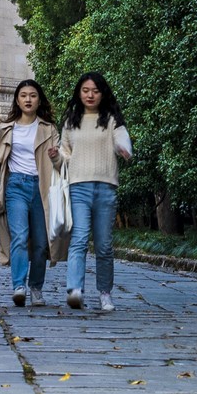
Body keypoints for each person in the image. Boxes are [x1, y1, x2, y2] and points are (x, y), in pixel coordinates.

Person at [58, 71, 132, 313]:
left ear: (103, 94)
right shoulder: (71, 121)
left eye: (95, 91)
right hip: (78, 185)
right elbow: (65, 155)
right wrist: (55, 156)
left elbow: (122, 138)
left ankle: (105, 294)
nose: (90, 95)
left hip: (106, 187)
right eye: (85, 90)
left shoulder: (111, 119)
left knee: (104, 245)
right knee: (79, 238)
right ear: (79, 93)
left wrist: (123, 148)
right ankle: (74, 290)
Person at [0, 78, 60, 307]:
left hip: (43, 187)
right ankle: (18, 286)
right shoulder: (6, 128)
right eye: (23, 95)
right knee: (19, 236)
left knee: (41, 243)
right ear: (17, 100)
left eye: (32, 95)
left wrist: (56, 156)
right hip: (16, 186)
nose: (28, 99)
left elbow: (61, 162)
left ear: (39, 100)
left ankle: (36, 288)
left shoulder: (49, 129)